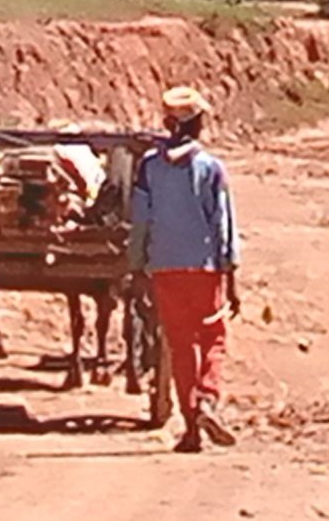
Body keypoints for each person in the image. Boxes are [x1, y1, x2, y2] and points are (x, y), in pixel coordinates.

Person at [129, 86, 241, 453]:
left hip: (163, 267)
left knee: (180, 347)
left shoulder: (148, 167)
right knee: (213, 338)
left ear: (166, 123)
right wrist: (231, 275)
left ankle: (191, 429)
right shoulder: (210, 168)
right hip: (204, 268)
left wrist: (136, 267)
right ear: (199, 125)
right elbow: (222, 224)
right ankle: (208, 397)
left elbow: (140, 221)